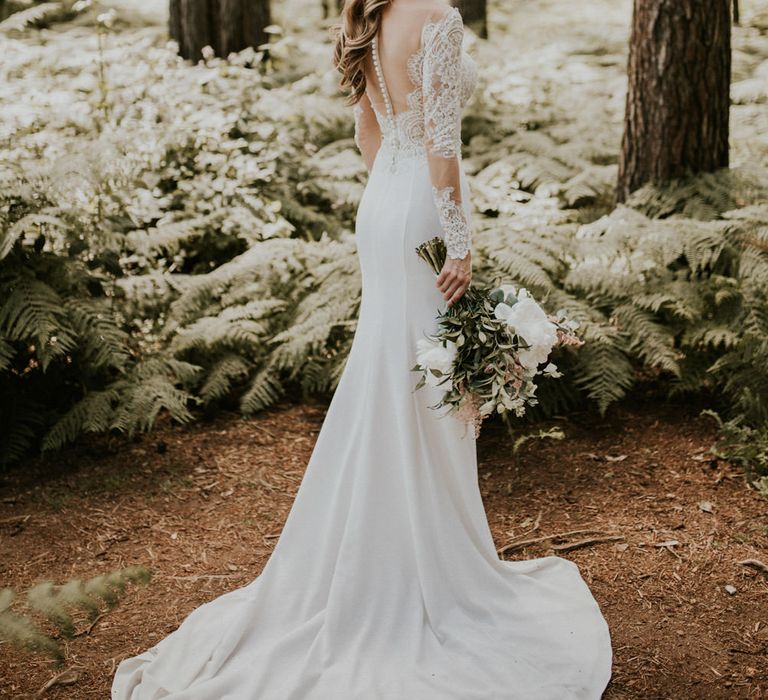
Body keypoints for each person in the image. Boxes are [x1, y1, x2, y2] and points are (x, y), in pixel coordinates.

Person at [111, 1, 613, 697]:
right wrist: (458, 243)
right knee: (427, 384)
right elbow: (441, 141)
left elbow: (368, 131)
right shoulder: (437, 15)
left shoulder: (367, 14)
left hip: (383, 204)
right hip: (421, 210)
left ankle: (393, 548)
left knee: (398, 375)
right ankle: (419, 567)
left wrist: (390, 198)